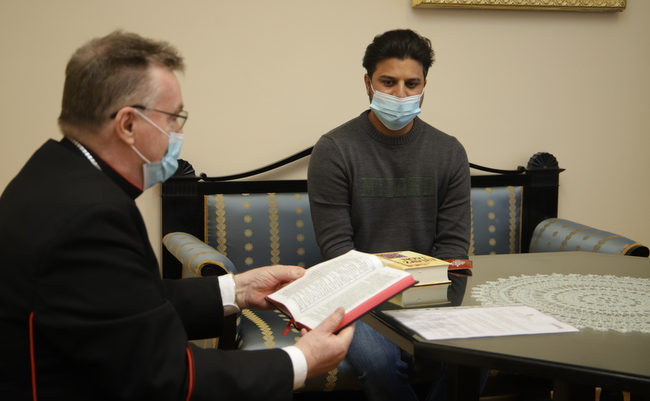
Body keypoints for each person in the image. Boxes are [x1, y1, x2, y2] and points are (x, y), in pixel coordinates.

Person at [0, 30, 354, 401]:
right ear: (128, 124)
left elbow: (124, 303)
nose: (179, 132)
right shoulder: (92, 217)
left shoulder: (55, 173)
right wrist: (300, 361)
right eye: (173, 118)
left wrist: (239, 290)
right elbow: (165, 378)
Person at [308, 29, 472, 401]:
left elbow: (453, 248)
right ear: (368, 83)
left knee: (479, 353)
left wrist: (433, 299)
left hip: (430, 291)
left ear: (424, 87)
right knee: (379, 360)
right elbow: (338, 252)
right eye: (388, 82)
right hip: (357, 296)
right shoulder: (334, 149)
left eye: (412, 84)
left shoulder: (449, 152)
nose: (400, 94)